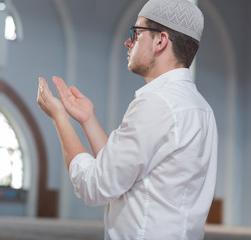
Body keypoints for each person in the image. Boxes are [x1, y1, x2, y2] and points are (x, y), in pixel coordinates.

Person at [37, 0, 217, 239]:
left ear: (160, 41)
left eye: (136, 33)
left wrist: (59, 118)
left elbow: (96, 187)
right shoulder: (201, 108)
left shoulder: (157, 103)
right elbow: (120, 176)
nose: (128, 41)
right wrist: (87, 120)